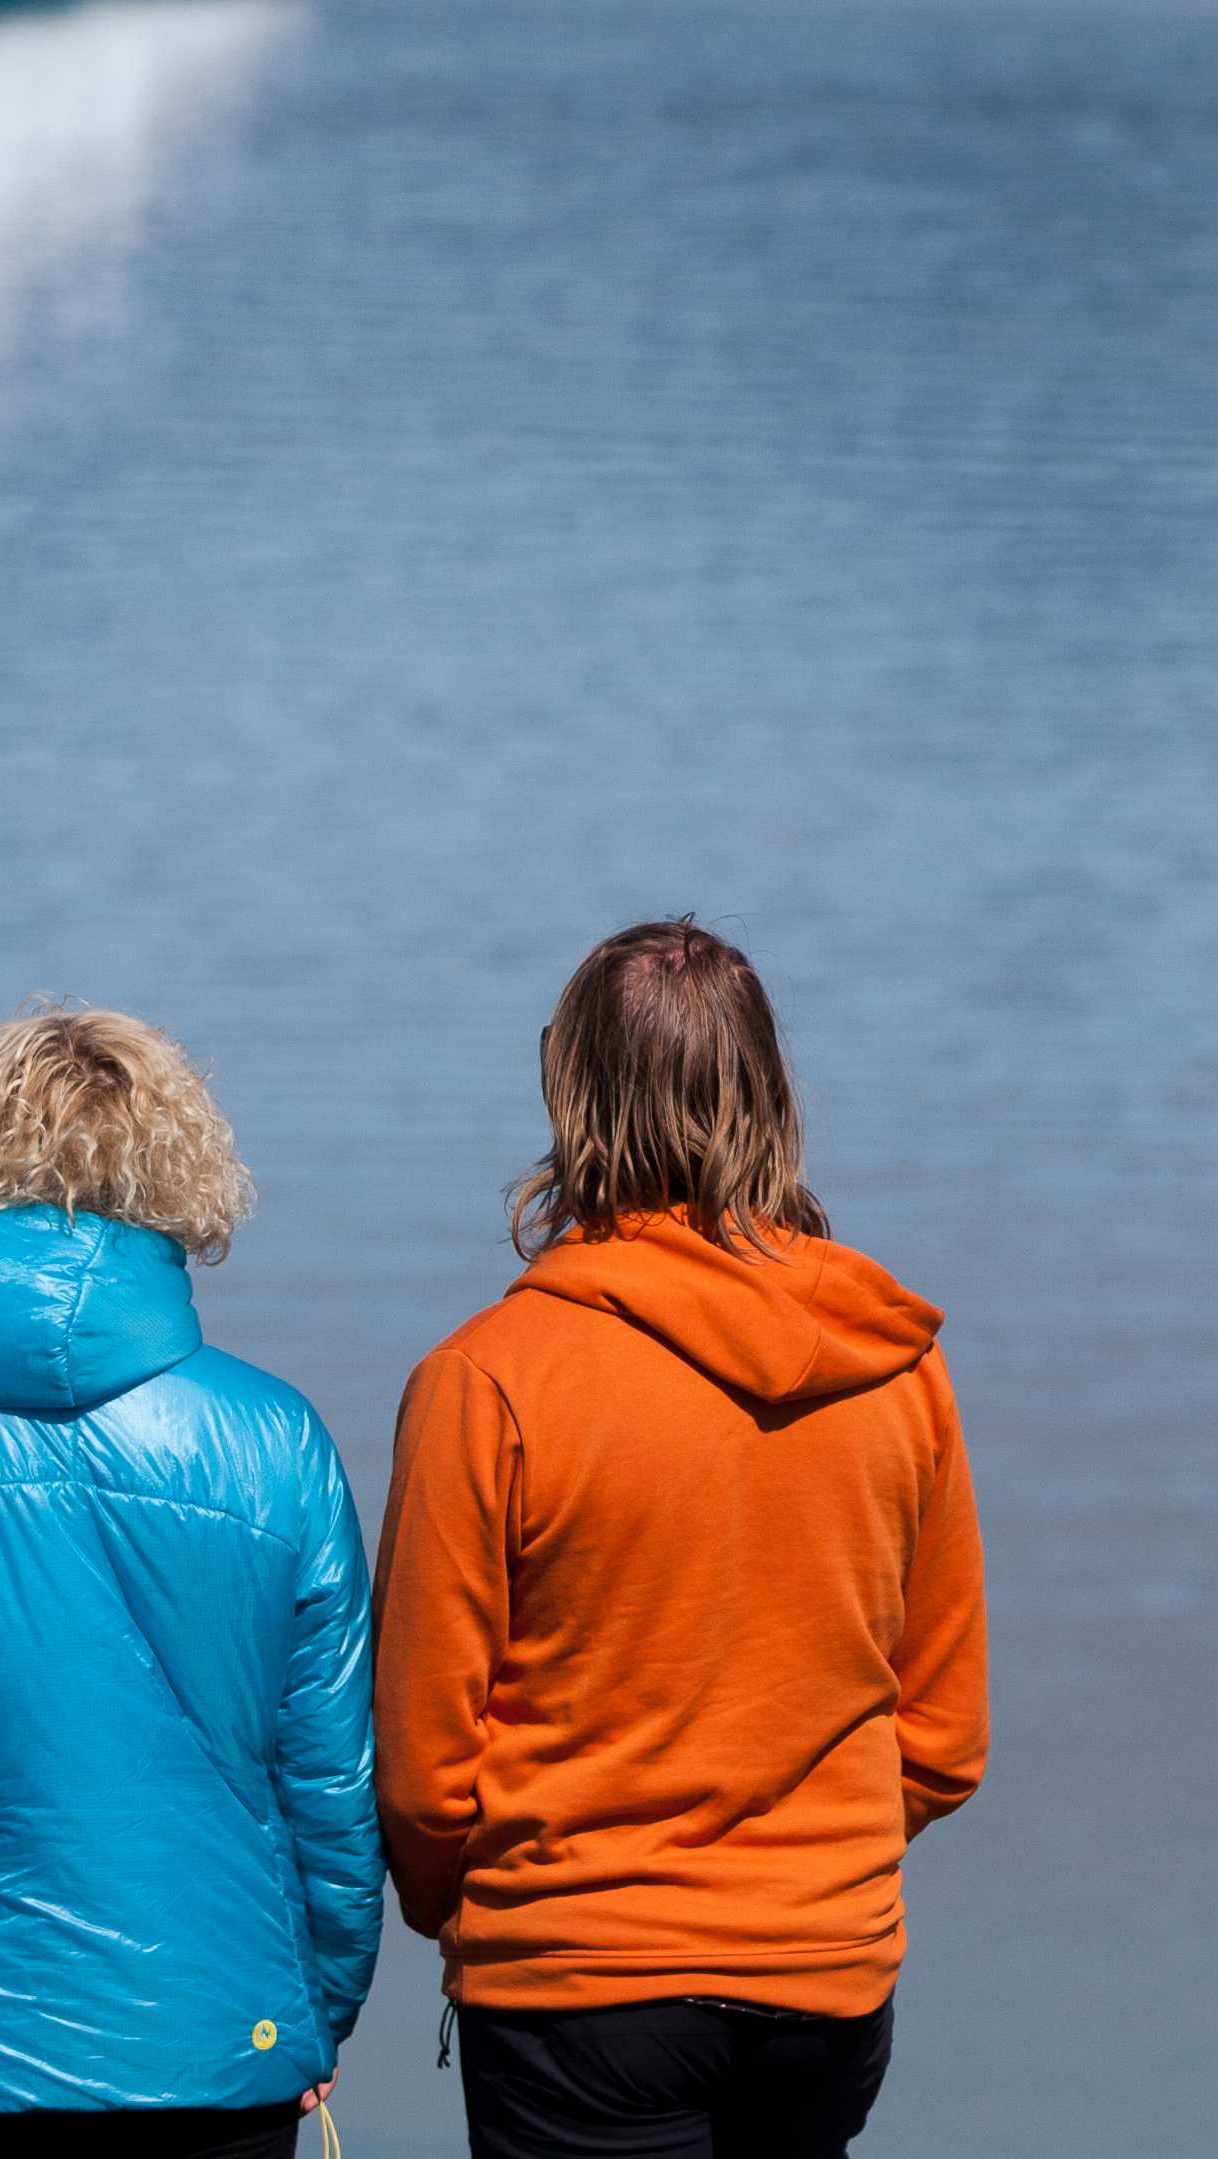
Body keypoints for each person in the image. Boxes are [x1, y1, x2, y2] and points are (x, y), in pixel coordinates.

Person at [378, 922, 987, 2159]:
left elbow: (429, 1760)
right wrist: (815, 1870)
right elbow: (945, 1734)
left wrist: (473, 1907)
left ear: (569, 1088)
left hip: (576, 1979)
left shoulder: (489, 1379)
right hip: (828, 1979)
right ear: (768, 1091)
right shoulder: (895, 1364)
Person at [0, 1007, 382, 2158]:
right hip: (212, 2035)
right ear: (179, 1166)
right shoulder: (274, 1439)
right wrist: (317, 2008)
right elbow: (330, 1775)